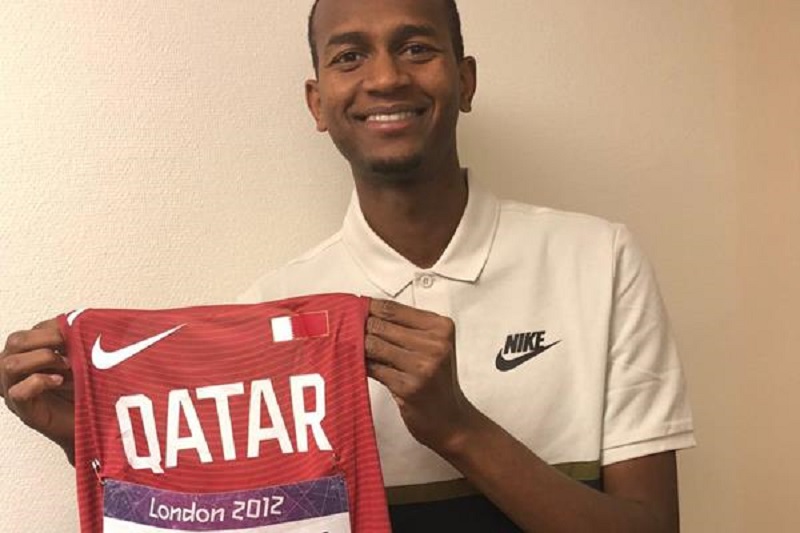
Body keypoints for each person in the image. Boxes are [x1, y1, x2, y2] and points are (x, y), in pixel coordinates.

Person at [0, 0, 695, 531]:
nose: (386, 77)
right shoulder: (270, 312)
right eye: (350, 57)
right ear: (318, 103)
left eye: (416, 47)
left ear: (466, 78)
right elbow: (237, 520)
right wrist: (95, 443)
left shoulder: (601, 260)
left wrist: (457, 427)